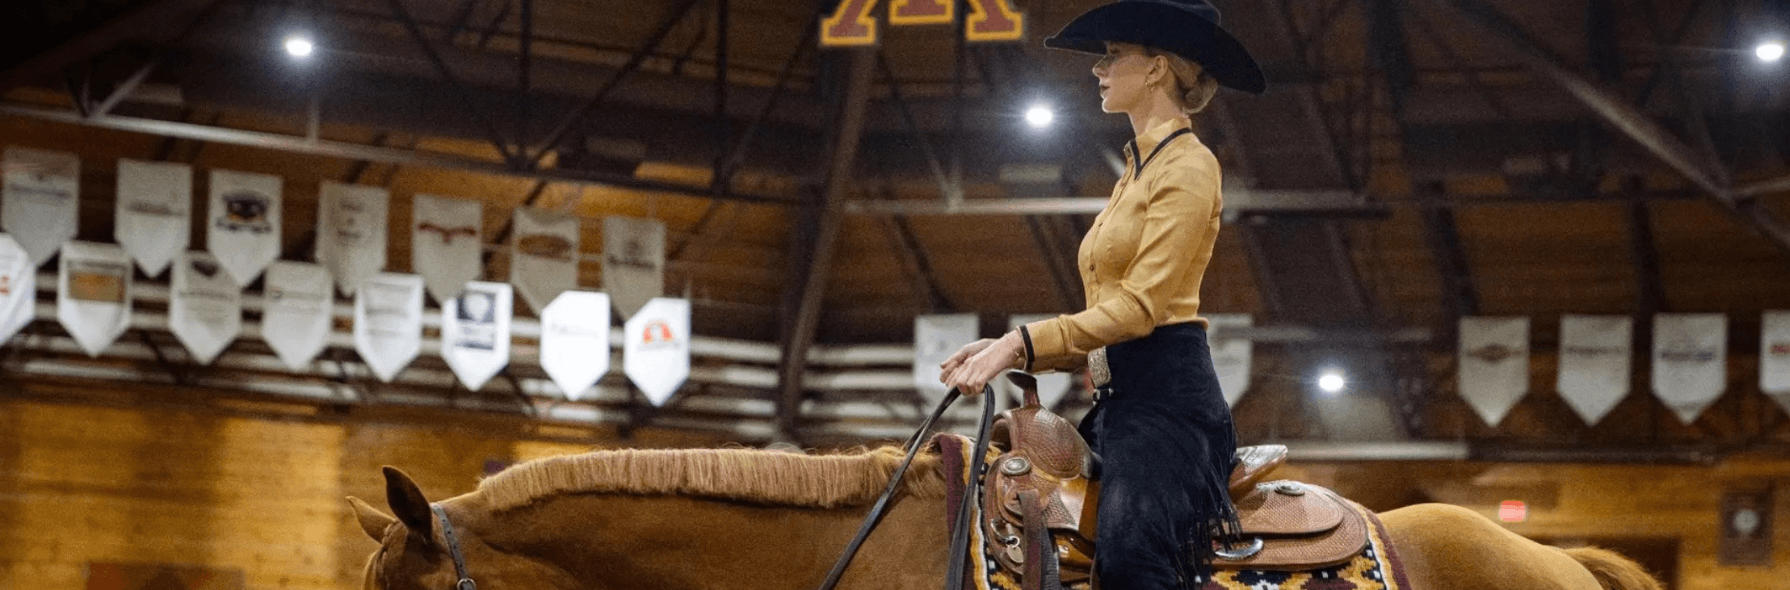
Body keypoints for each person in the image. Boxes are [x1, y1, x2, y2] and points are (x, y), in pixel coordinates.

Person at [939, 1, 1266, 588]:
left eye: (1113, 57)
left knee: (1130, 566)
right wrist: (1011, 347)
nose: (1099, 69)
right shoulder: (1135, 174)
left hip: (1169, 408)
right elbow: (1106, 321)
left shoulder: (1190, 167)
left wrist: (1018, 344)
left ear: (1157, 69)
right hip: (1117, 405)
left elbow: (1140, 311)